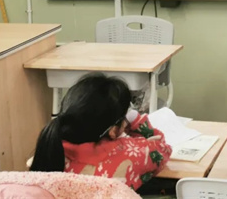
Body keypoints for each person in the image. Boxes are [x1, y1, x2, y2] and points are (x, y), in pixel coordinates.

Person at [30, 73, 172, 192]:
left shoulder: (50, 148)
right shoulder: (131, 153)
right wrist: (135, 119)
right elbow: (163, 148)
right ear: (113, 131)